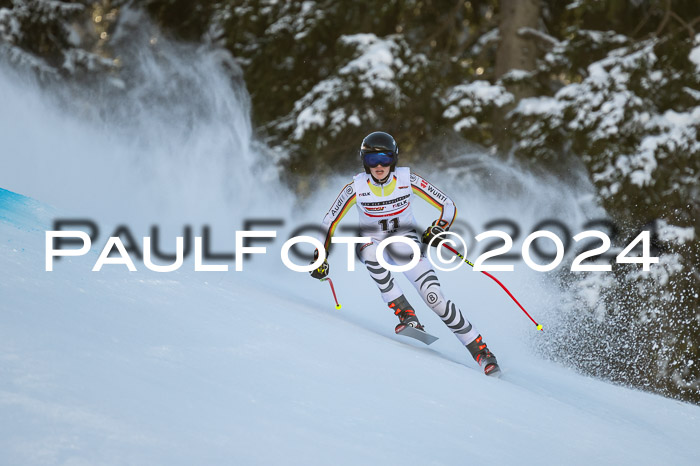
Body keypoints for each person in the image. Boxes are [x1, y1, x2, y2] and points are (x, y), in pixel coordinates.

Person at [309, 131, 500, 376]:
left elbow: (448, 206)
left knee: (435, 299)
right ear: (363, 162)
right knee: (370, 253)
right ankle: (406, 314)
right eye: (371, 160)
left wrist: (438, 228)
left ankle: (482, 352)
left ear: (394, 160)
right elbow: (329, 222)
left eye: (385, 159)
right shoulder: (355, 188)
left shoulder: (407, 180)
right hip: (373, 242)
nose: (378, 166)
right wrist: (319, 255)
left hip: (404, 242)